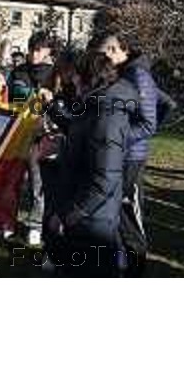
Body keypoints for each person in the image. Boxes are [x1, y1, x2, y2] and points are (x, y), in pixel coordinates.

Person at [47, 52, 139, 277]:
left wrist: (69, 216)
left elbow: (104, 179)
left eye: (77, 77)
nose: (73, 82)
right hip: (83, 215)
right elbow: (82, 131)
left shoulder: (107, 115)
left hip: (92, 222)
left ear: (90, 78)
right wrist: (51, 109)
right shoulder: (95, 104)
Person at [96, 32, 159, 275]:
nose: (102, 60)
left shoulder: (138, 75)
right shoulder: (122, 74)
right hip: (118, 154)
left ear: (115, 50)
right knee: (116, 215)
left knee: (129, 217)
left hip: (131, 156)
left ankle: (136, 270)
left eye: (104, 54)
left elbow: (148, 124)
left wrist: (116, 136)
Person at [8, 31, 56, 245]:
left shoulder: (55, 75)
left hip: (41, 136)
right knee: (11, 181)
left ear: (48, 51)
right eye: (31, 49)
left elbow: (61, 105)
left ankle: (35, 224)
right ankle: (6, 220)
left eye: (39, 50)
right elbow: (7, 99)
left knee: (38, 184)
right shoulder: (18, 72)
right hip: (17, 134)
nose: (34, 54)